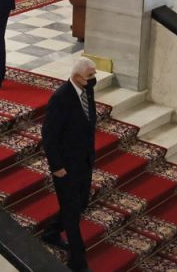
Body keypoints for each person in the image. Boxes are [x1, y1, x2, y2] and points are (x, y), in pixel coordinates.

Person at [41, 57, 98, 272]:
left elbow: (88, 124)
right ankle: (77, 260)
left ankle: (51, 232)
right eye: (90, 75)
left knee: (80, 203)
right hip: (65, 167)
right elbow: (49, 135)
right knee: (71, 212)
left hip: (84, 161)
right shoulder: (60, 99)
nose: (93, 79)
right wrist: (57, 166)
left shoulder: (87, 91)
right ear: (76, 77)